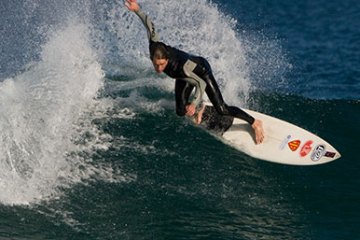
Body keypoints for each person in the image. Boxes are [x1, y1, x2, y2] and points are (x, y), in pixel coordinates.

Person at [125, 0, 264, 144]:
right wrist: (137, 9)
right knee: (180, 111)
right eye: (156, 64)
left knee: (222, 109)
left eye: (162, 65)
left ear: (167, 59)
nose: (158, 68)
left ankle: (254, 122)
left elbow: (200, 83)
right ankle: (202, 109)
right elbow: (149, 25)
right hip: (183, 76)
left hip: (200, 72)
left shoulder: (181, 68)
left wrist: (193, 103)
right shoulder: (155, 47)